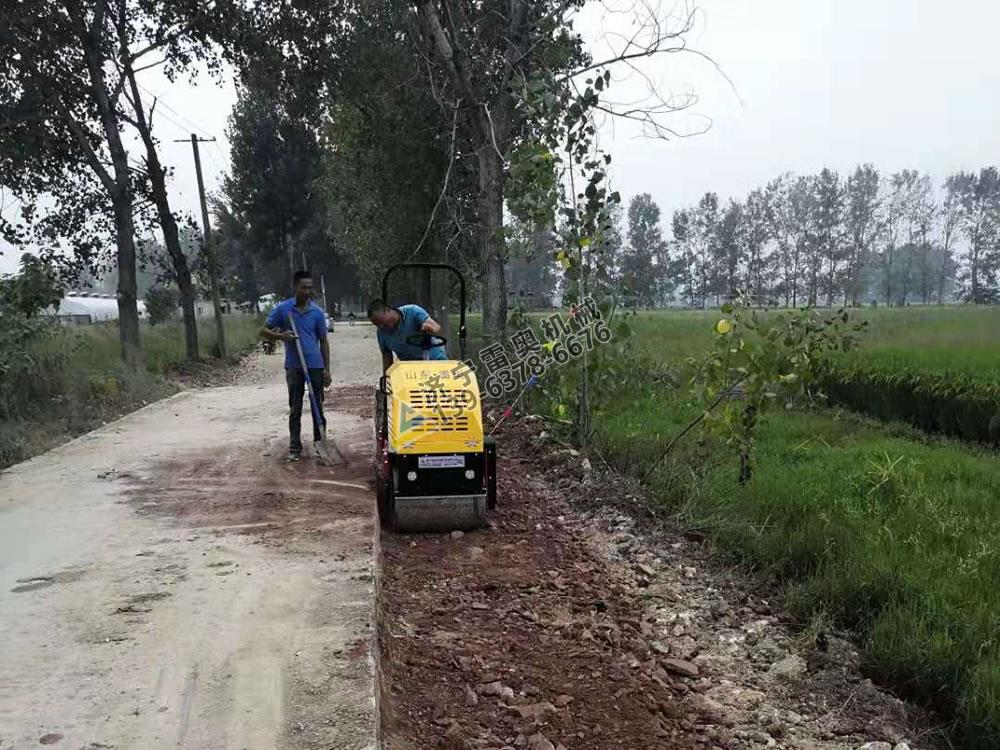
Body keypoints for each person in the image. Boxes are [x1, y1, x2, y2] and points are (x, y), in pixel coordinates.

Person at [260, 270, 332, 461]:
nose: (307, 291)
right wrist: (281, 336)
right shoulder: (284, 309)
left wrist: (327, 369)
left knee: (318, 406)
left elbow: (323, 341)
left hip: (315, 365)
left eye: (309, 288)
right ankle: (295, 448)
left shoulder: (317, 312)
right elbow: (263, 331)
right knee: (295, 408)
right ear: (295, 287)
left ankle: (321, 444)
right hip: (294, 366)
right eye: (303, 287)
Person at [367, 299, 445, 372]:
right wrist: (386, 377)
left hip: (435, 362)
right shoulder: (381, 333)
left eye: (380, 321)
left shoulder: (412, 311)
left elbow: (435, 326)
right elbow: (387, 358)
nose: (381, 326)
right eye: (377, 324)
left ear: (387, 310)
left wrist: (429, 327)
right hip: (410, 370)